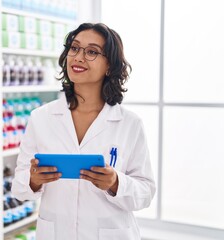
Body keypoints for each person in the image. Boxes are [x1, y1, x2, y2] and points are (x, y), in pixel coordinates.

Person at [11, 22, 156, 240]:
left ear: (109, 65)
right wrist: (33, 180)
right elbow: (18, 188)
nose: (78, 57)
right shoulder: (40, 118)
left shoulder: (129, 123)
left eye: (91, 52)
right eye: (74, 48)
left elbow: (145, 192)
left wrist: (115, 182)